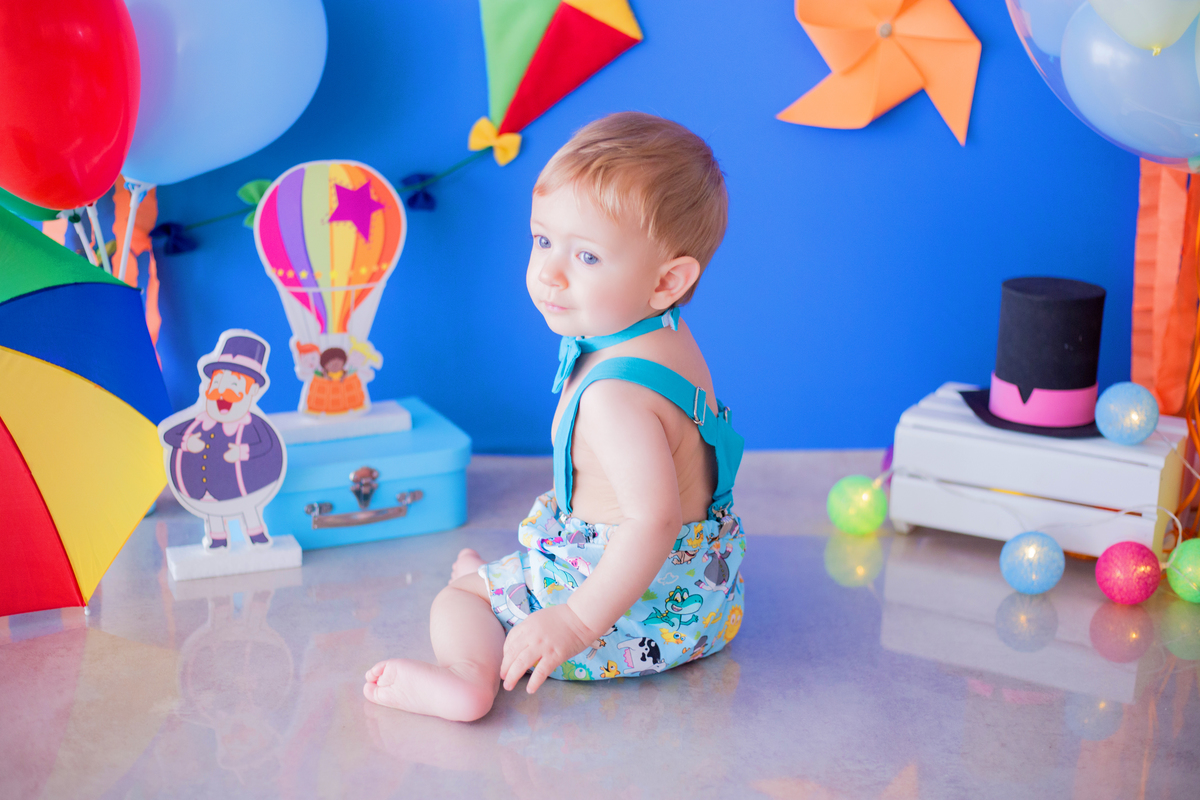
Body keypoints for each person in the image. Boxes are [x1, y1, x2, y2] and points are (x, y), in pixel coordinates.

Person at [364, 112, 745, 721]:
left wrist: (569, 621)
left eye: (587, 256)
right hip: (703, 601)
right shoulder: (669, 338)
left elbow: (652, 520)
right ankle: (512, 579)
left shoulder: (612, 397)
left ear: (668, 279)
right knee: (505, 566)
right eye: (543, 240)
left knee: (458, 599)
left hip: (623, 619)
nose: (548, 271)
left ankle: (467, 681)